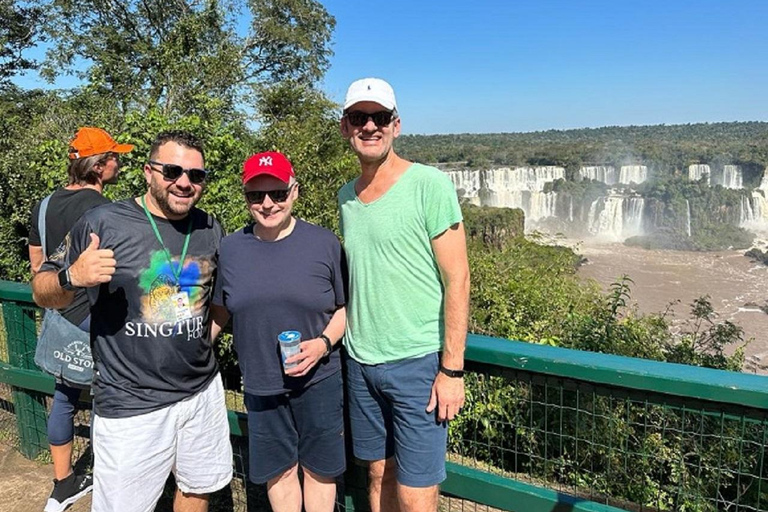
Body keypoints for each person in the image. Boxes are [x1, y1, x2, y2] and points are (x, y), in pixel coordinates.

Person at [31, 131, 232, 512]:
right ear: (148, 172)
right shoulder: (102, 222)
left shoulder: (210, 226)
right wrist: (71, 277)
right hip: (131, 403)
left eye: (196, 175)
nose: (185, 182)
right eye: (172, 171)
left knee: (196, 490)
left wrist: (206, 338)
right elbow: (42, 288)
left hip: (201, 393)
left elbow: (220, 298)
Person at [337, 78, 470, 512]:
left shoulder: (429, 184)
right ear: (346, 128)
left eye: (379, 118)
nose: (370, 126)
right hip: (360, 362)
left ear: (396, 125)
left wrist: (451, 370)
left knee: (416, 494)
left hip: (417, 363)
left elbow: (459, 279)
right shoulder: (346, 197)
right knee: (377, 474)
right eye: (360, 118)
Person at [210, 151, 346, 512]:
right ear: (246, 198)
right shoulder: (231, 248)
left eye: (278, 194)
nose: (267, 204)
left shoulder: (324, 244)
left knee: (320, 471)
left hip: (319, 379)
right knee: (280, 473)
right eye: (257, 195)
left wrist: (322, 344)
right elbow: (220, 309)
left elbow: (343, 310)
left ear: (294, 192)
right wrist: (184, 352)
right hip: (261, 382)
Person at [28, 126, 133, 512]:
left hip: (60, 313)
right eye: (114, 157)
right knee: (115, 395)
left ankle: (62, 483)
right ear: (100, 166)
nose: (119, 163)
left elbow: (39, 268)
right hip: (96, 316)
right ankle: (114, 479)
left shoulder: (41, 205)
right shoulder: (105, 210)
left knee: (64, 396)